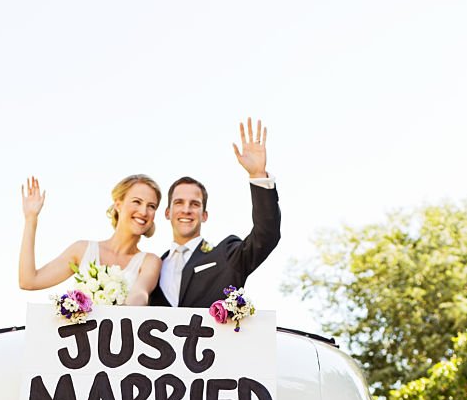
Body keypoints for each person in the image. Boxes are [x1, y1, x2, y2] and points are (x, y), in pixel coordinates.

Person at [150, 118, 281, 309]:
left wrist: (258, 175)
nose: (186, 209)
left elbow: (267, 235)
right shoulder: (153, 267)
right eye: (179, 202)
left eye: (194, 204)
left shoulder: (227, 255)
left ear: (204, 215)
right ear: (168, 212)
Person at [19, 175, 163, 305]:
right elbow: (29, 281)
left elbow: (140, 294)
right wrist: (31, 218)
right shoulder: (82, 250)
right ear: (118, 205)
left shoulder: (150, 261)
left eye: (151, 206)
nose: (144, 212)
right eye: (137, 202)